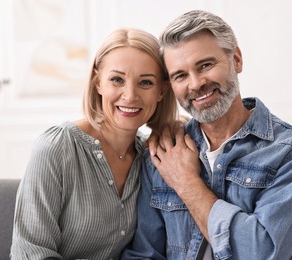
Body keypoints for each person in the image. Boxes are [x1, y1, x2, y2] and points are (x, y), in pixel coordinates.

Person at [122, 10, 292, 260]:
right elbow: (144, 254)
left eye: (205, 65)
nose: (195, 84)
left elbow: (260, 252)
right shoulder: (164, 152)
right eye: (180, 75)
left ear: (236, 60)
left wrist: (186, 183)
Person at [10, 28, 177, 259]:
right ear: (98, 82)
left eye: (145, 82)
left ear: (161, 91)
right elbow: (30, 253)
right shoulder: (57, 147)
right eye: (117, 80)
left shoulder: (151, 158)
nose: (129, 95)